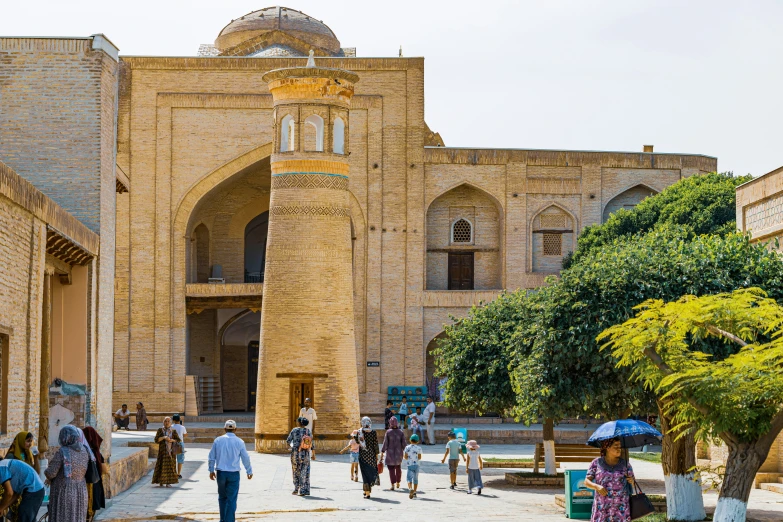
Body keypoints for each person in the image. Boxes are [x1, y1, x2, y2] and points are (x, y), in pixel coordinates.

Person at [208, 420, 253, 522]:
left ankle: (223, 519)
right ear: (235, 429)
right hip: (234, 474)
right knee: (231, 499)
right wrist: (249, 471)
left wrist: (211, 470)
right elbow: (245, 457)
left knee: (222, 497)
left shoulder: (218, 441)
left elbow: (211, 457)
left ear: (224, 429)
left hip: (221, 473)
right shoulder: (240, 442)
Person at [584, 438, 636, 522]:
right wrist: (596, 487)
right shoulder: (596, 463)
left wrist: (632, 481)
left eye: (620, 446)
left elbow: (633, 483)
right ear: (607, 448)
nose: (619, 449)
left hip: (621, 508)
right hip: (602, 506)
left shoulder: (626, 464)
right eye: (616, 446)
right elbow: (586, 481)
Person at [45, 425, 89, 522]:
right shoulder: (84, 450)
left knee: (63, 517)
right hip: (81, 490)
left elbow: (51, 473)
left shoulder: (63, 452)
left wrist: (46, 472)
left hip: (64, 491)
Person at [0, 458, 45, 522]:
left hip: (33, 490)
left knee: (24, 517)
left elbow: (9, 493)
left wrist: (1, 507)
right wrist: (3, 507)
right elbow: (15, 495)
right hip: (37, 490)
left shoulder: (1, 467)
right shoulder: (6, 465)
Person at [83, 427, 108, 519]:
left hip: (84, 484)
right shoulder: (97, 453)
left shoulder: (82, 451)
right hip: (95, 481)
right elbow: (105, 470)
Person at [286, 417, 313, 496]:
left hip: (295, 454)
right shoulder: (308, 431)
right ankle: (303, 490)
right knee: (304, 471)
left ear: (299, 423)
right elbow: (312, 444)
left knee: (295, 471)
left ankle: (296, 489)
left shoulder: (294, 430)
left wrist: (292, 447)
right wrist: (313, 454)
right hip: (306, 454)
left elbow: (288, 441)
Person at [152, 417, 181, 487]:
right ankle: (161, 481)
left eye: (168, 421)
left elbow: (178, 440)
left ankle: (168, 482)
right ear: (163, 422)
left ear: (171, 423)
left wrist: (172, 440)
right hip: (162, 452)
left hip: (171, 452)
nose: (167, 422)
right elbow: (156, 440)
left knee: (170, 467)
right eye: (165, 421)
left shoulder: (173, 431)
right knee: (161, 466)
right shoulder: (160, 430)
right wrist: (164, 437)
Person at [380, 417, 406, 490]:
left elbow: (385, 443)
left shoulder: (388, 432)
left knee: (391, 469)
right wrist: (407, 452)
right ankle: (398, 482)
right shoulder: (401, 432)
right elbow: (404, 444)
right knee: (398, 468)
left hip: (390, 455)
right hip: (399, 454)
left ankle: (392, 485)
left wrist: (382, 452)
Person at [357, 416, 379, 499]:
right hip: (371, 456)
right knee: (370, 472)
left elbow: (357, 441)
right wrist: (377, 455)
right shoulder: (373, 432)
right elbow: (375, 444)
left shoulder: (360, 432)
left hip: (363, 456)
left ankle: (367, 492)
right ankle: (366, 490)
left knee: (364, 474)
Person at [403, 434, 423, 499]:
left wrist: (408, 458)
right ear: (418, 441)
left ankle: (410, 488)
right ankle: (414, 492)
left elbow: (405, 457)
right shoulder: (419, 448)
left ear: (410, 440)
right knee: (415, 479)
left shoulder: (407, 447)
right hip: (417, 465)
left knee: (409, 478)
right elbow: (419, 457)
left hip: (410, 465)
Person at [171, 414, 187, 478]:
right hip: (180, 443)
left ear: (173, 420)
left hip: (173, 443)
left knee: (173, 458)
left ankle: (173, 472)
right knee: (180, 459)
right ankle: (178, 473)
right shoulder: (182, 427)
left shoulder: (171, 427)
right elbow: (185, 435)